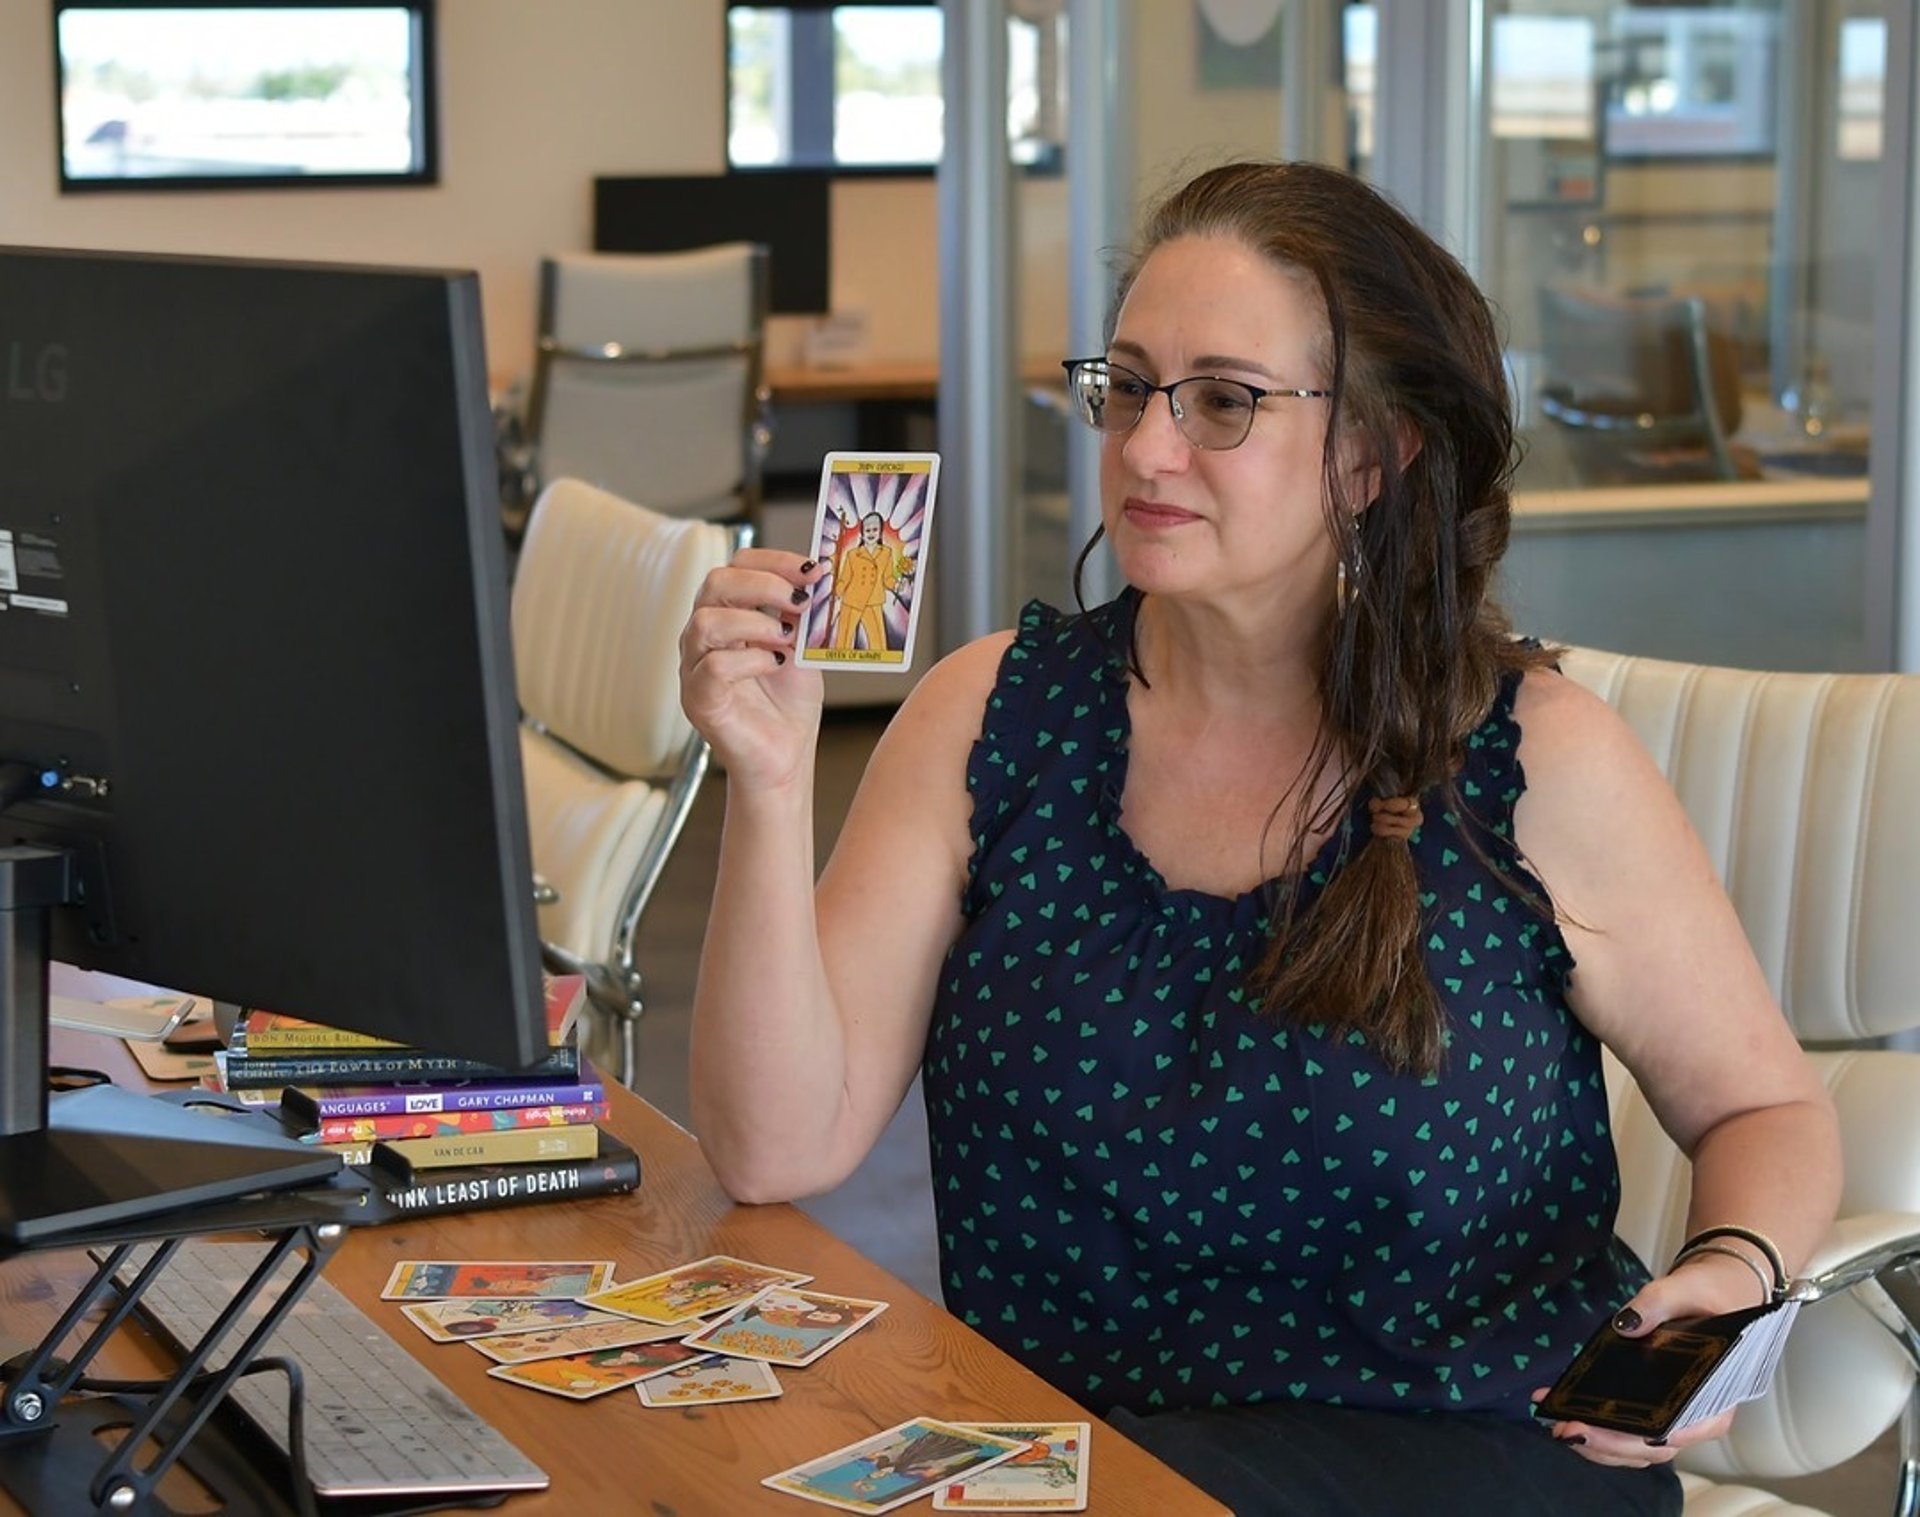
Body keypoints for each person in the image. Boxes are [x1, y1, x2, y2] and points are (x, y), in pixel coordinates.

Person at [677, 160, 1840, 1516]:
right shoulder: (991, 715)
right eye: (1126, 387)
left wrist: (1731, 1274)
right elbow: (773, 1145)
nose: (1148, 447)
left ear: (1371, 454)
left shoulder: (1532, 755)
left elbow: (1766, 1105)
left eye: (1223, 401)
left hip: (1463, 1450)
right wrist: (763, 783)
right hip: (1070, 1462)